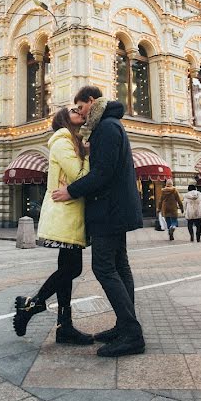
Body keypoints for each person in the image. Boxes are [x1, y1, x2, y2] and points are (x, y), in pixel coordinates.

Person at [51, 86, 145, 358]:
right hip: (116, 208)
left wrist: (71, 190)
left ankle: (131, 333)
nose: (78, 112)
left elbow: (103, 173)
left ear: (90, 102)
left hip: (109, 210)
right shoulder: (111, 125)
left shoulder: (106, 127)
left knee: (104, 268)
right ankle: (124, 326)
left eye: (80, 107)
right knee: (119, 266)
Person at [13, 107, 93, 345]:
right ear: (64, 119)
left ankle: (64, 327)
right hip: (65, 215)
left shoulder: (73, 141)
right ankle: (32, 304)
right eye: (73, 110)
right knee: (72, 270)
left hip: (71, 213)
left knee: (67, 271)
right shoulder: (62, 141)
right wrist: (88, 155)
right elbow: (79, 175)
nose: (78, 110)